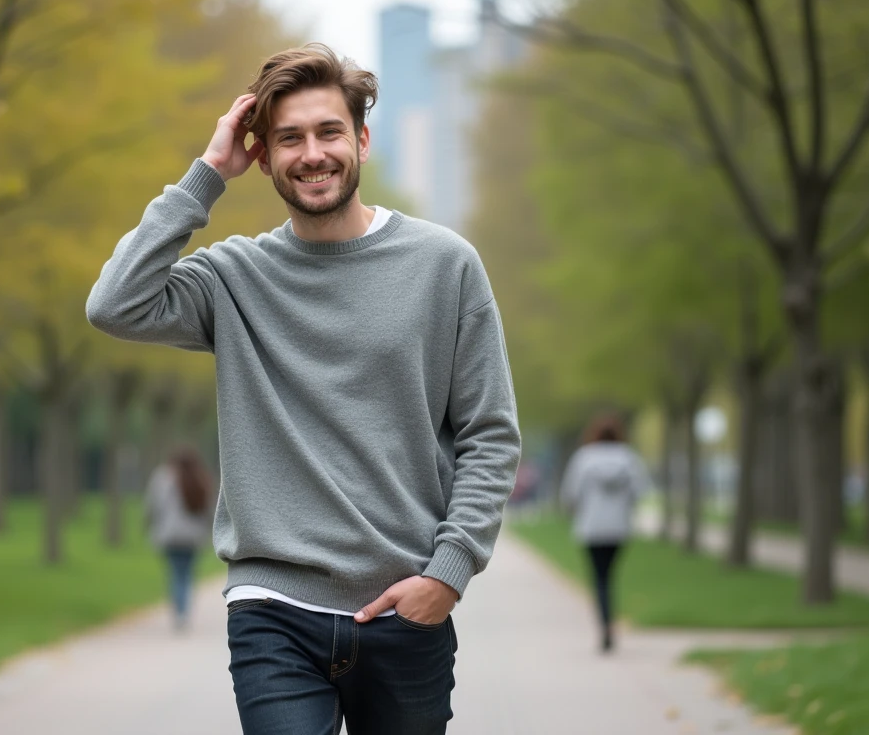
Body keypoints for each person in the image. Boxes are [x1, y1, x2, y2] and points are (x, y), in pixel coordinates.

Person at [86, 43, 520, 734]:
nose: (311, 153)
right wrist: (205, 176)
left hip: (405, 608)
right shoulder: (233, 279)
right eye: (288, 138)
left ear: (362, 140)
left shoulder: (445, 266)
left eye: (328, 132)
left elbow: (489, 433)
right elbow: (114, 304)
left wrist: (449, 572)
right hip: (272, 613)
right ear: (262, 156)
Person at [560, 413, 650, 654]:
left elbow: (571, 493)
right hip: (619, 529)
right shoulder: (629, 459)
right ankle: (610, 624)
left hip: (591, 528)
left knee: (599, 578)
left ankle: (606, 627)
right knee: (609, 576)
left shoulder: (584, 458)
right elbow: (641, 492)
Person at [145, 445, 214, 631]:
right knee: (187, 574)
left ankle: (179, 613)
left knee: (175, 574)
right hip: (193, 537)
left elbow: (153, 505)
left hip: (171, 536)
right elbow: (209, 511)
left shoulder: (163, 477)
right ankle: (184, 612)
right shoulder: (201, 478)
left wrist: (149, 525)